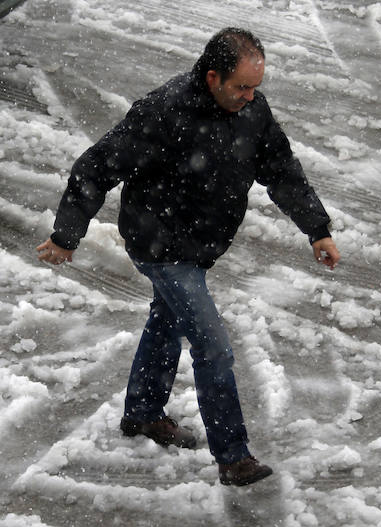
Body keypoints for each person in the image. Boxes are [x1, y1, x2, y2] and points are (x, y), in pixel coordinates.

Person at [37, 28, 340, 486]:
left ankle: (141, 413)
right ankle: (234, 458)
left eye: (255, 86)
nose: (250, 96)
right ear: (213, 76)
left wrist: (317, 229)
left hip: (199, 246)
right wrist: (66, 235)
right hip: (159, 246)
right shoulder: (163, 112)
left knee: (167, 319)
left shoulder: (251, 111)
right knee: (212, 345)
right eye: (241, 87)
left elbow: (281, 171)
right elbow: (96, 167)